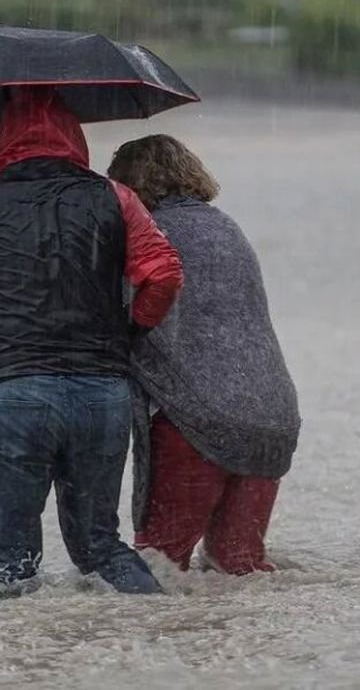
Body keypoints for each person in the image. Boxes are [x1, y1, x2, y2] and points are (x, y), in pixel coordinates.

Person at [0, 88, 184, 596]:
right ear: (74, 135)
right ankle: (160, 633)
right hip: (102, 394)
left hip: (12, 393)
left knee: (9, 567)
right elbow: (165, 273)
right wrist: (131, 329)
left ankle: (21, 666)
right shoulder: (114, 195)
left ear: (1, 135)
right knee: (102, 549)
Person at [107, 135, 301, 575]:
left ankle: (157, 647)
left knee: (160, 570)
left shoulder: (148, 234)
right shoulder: (226, 226)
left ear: (126, 186)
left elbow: (124, 316)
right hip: (273, 417)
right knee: (238, 569)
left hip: (199, 421)